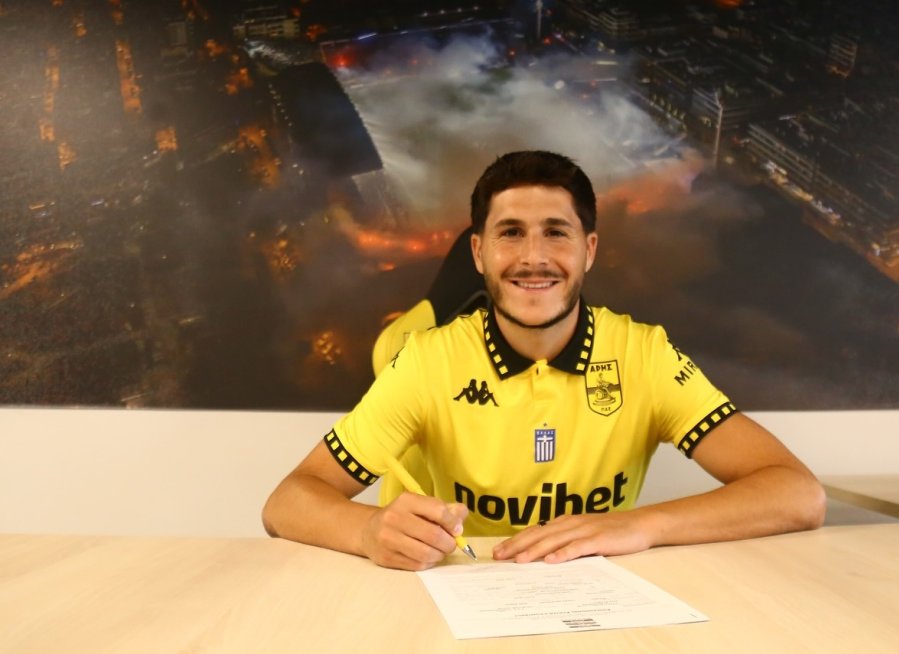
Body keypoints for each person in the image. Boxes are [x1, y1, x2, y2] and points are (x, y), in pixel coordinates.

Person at [262, 150, 826, 571]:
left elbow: (798, 493)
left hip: (592, 607)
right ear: (479, 252)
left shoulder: (645, 355)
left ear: (589, 249)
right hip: (460, 598)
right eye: (510, 234)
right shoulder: (425, 362)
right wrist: (369, 531)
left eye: (556, 233)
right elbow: (288, 501)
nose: (534, 257)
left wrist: (642, 524)